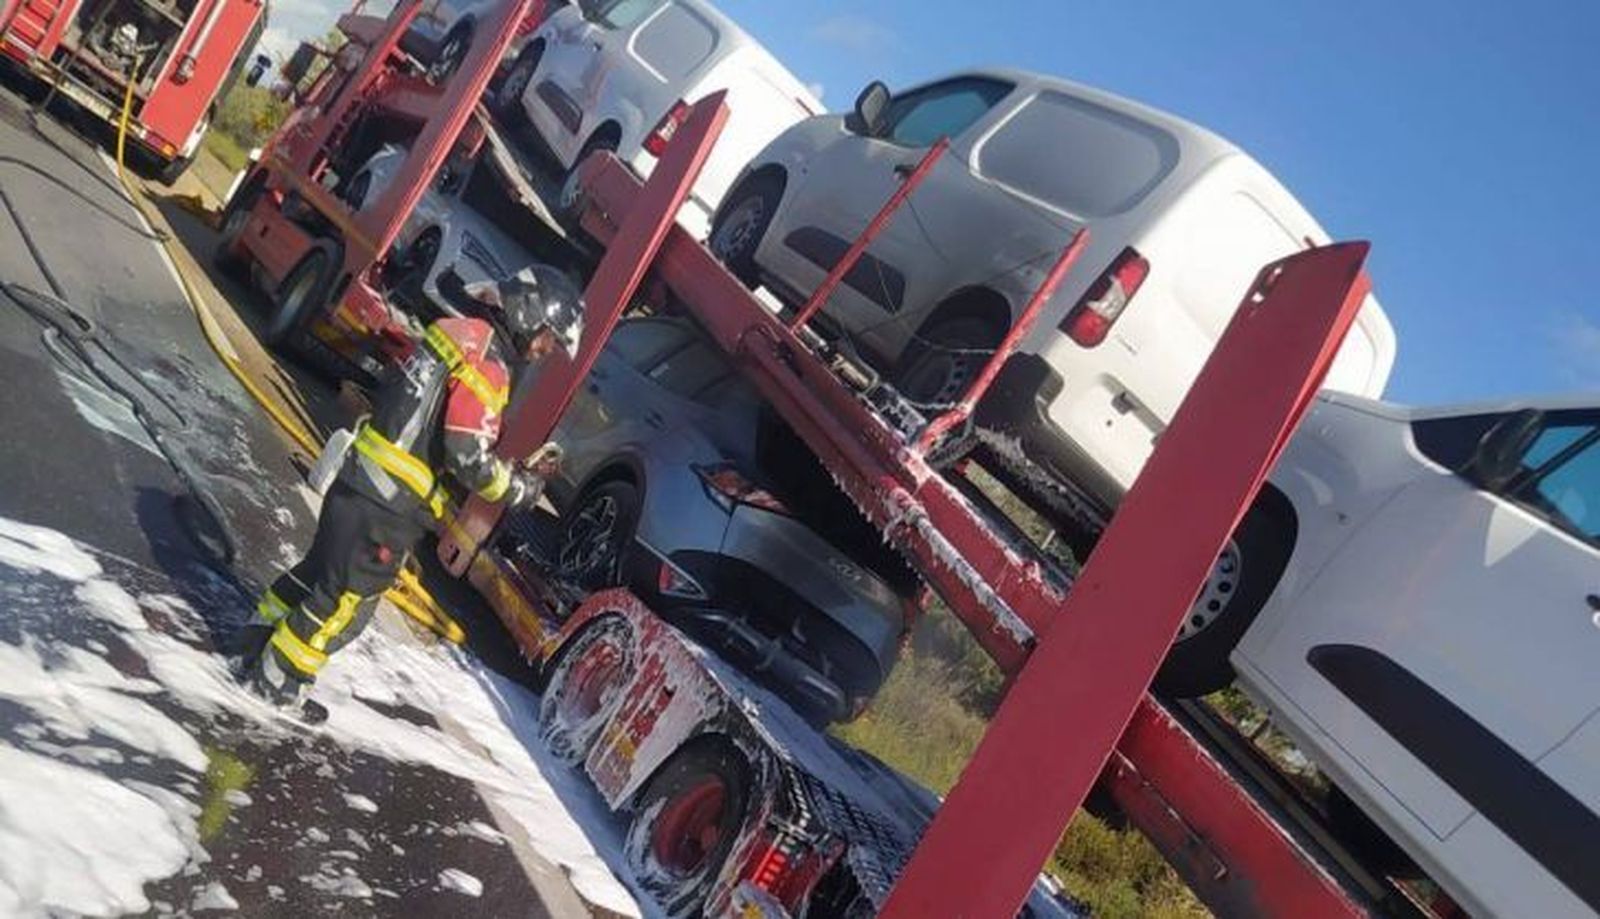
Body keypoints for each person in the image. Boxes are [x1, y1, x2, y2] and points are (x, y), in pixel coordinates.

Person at [238, 264, 585, 711]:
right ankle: (275, 685)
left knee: (316, 574)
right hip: (389, 507)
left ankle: (251, 643)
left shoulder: (456, 331)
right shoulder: (490, 364)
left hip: (359, 479)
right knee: (344, 606)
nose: (543, 350)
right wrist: (520, 488)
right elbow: (467, 456)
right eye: (548, 338)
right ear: (529, 314)